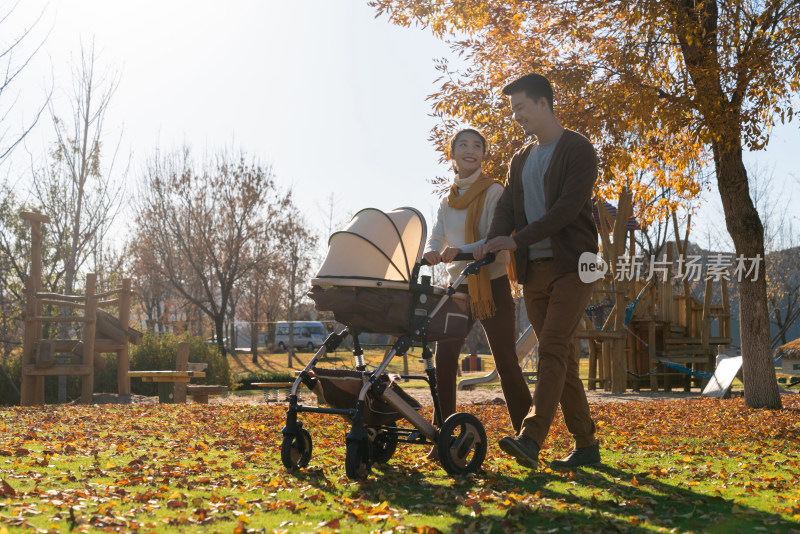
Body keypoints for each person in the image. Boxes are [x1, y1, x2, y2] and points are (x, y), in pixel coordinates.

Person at [473, 73, 600, 468]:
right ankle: (587, 447)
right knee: (560, 362)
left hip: (575, 266)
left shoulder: (579, 150)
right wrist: (493, 241)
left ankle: (531, 438)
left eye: (520, 108)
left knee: (551, 349)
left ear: (543, 104)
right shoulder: (521, 159)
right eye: (513, 110)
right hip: (534, 272)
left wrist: (517, 239)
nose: (516, 116)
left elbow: (566, 209)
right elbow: (506, 209)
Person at [423, 128, 532, 456]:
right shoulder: (447, 199)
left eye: (477, 146)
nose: (470, 150)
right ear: (452, 153)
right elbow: (437, 235)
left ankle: (528, 436)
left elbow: (493, 240)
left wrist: (461, 250)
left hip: (492, 285)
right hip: (457, 288)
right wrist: (431, 250)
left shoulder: (494, 191)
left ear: (484, 154)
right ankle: (444, 434)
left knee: (506, 360)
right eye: (463, 145)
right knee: (444, 358)